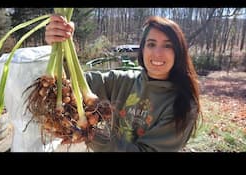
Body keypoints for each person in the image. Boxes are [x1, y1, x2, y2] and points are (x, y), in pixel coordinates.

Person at [45, 15, 201, 152]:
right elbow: (75, 83)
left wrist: (90, 135)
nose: (157, 53)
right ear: (143, 49)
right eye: (151, 44)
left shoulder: (183, 105)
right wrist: (61, 47)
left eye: (168, 46)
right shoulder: (123, 80)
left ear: (179, 52)